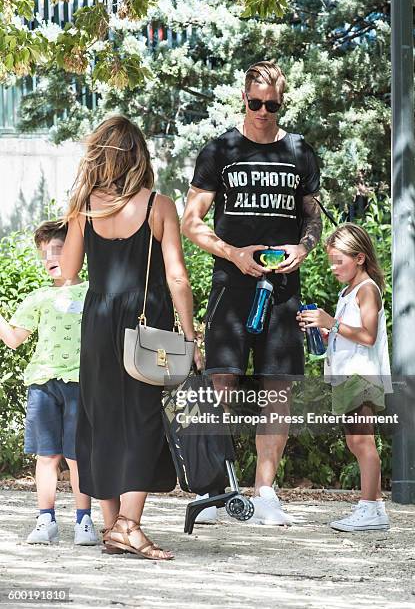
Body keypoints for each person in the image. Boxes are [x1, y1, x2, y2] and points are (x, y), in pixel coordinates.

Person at [182, 61, 322, 525]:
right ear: (244, 98)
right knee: (222, 382)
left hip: (282, 290)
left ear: (283, 101)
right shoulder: (220, 149)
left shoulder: (300, 151)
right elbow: (190, 223)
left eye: (273, 104)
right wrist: (233, 253)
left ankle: (265, 492)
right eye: (255, 103)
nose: (264, 112)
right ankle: (217, 493)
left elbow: (313, 218)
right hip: (232, 286)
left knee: (277, 390)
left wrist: (303, 248)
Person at [60, 115, 201, 560]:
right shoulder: (159, 206)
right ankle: (129, 526)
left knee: (99, 419)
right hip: (148, 324)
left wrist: (74, 214)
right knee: (141, 420)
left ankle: (111, 526)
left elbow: (67, 272)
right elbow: (177, 277)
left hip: (99, 322)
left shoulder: (85, 206)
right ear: (139, 155)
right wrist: (192, 336)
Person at [0, 220, 98, 545]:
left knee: (77, 456)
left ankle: (84, 522)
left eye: (58, 250)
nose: (50, 258)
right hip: (42, 384)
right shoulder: (38, 297)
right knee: (47, 456)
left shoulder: (93, 291)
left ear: (77, 253)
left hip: (80, 383)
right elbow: (14, 339)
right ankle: (46, 521)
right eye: (45, 254)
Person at [297, 223, 391, 532]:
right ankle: (373, 508)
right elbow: (347, 334)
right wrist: (325, 333)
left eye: (340, 260)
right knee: (355, 441)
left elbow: (368, 335)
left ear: (360, 257)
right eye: (331, 260)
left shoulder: (367, 290)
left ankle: (371, 510)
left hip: (361, 376)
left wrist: (331, 322)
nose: (333, 266)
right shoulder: (348, 291)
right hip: (346, 375)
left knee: (363, 443)